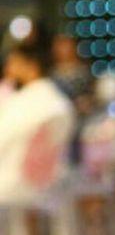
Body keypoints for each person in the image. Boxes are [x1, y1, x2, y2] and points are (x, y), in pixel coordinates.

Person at [0, 43, 75, 202]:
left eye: (14, 63)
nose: (8, 68)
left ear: (32, 66)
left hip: (15, 181)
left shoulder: (25, 102)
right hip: (50, 181)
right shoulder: (58, 100)